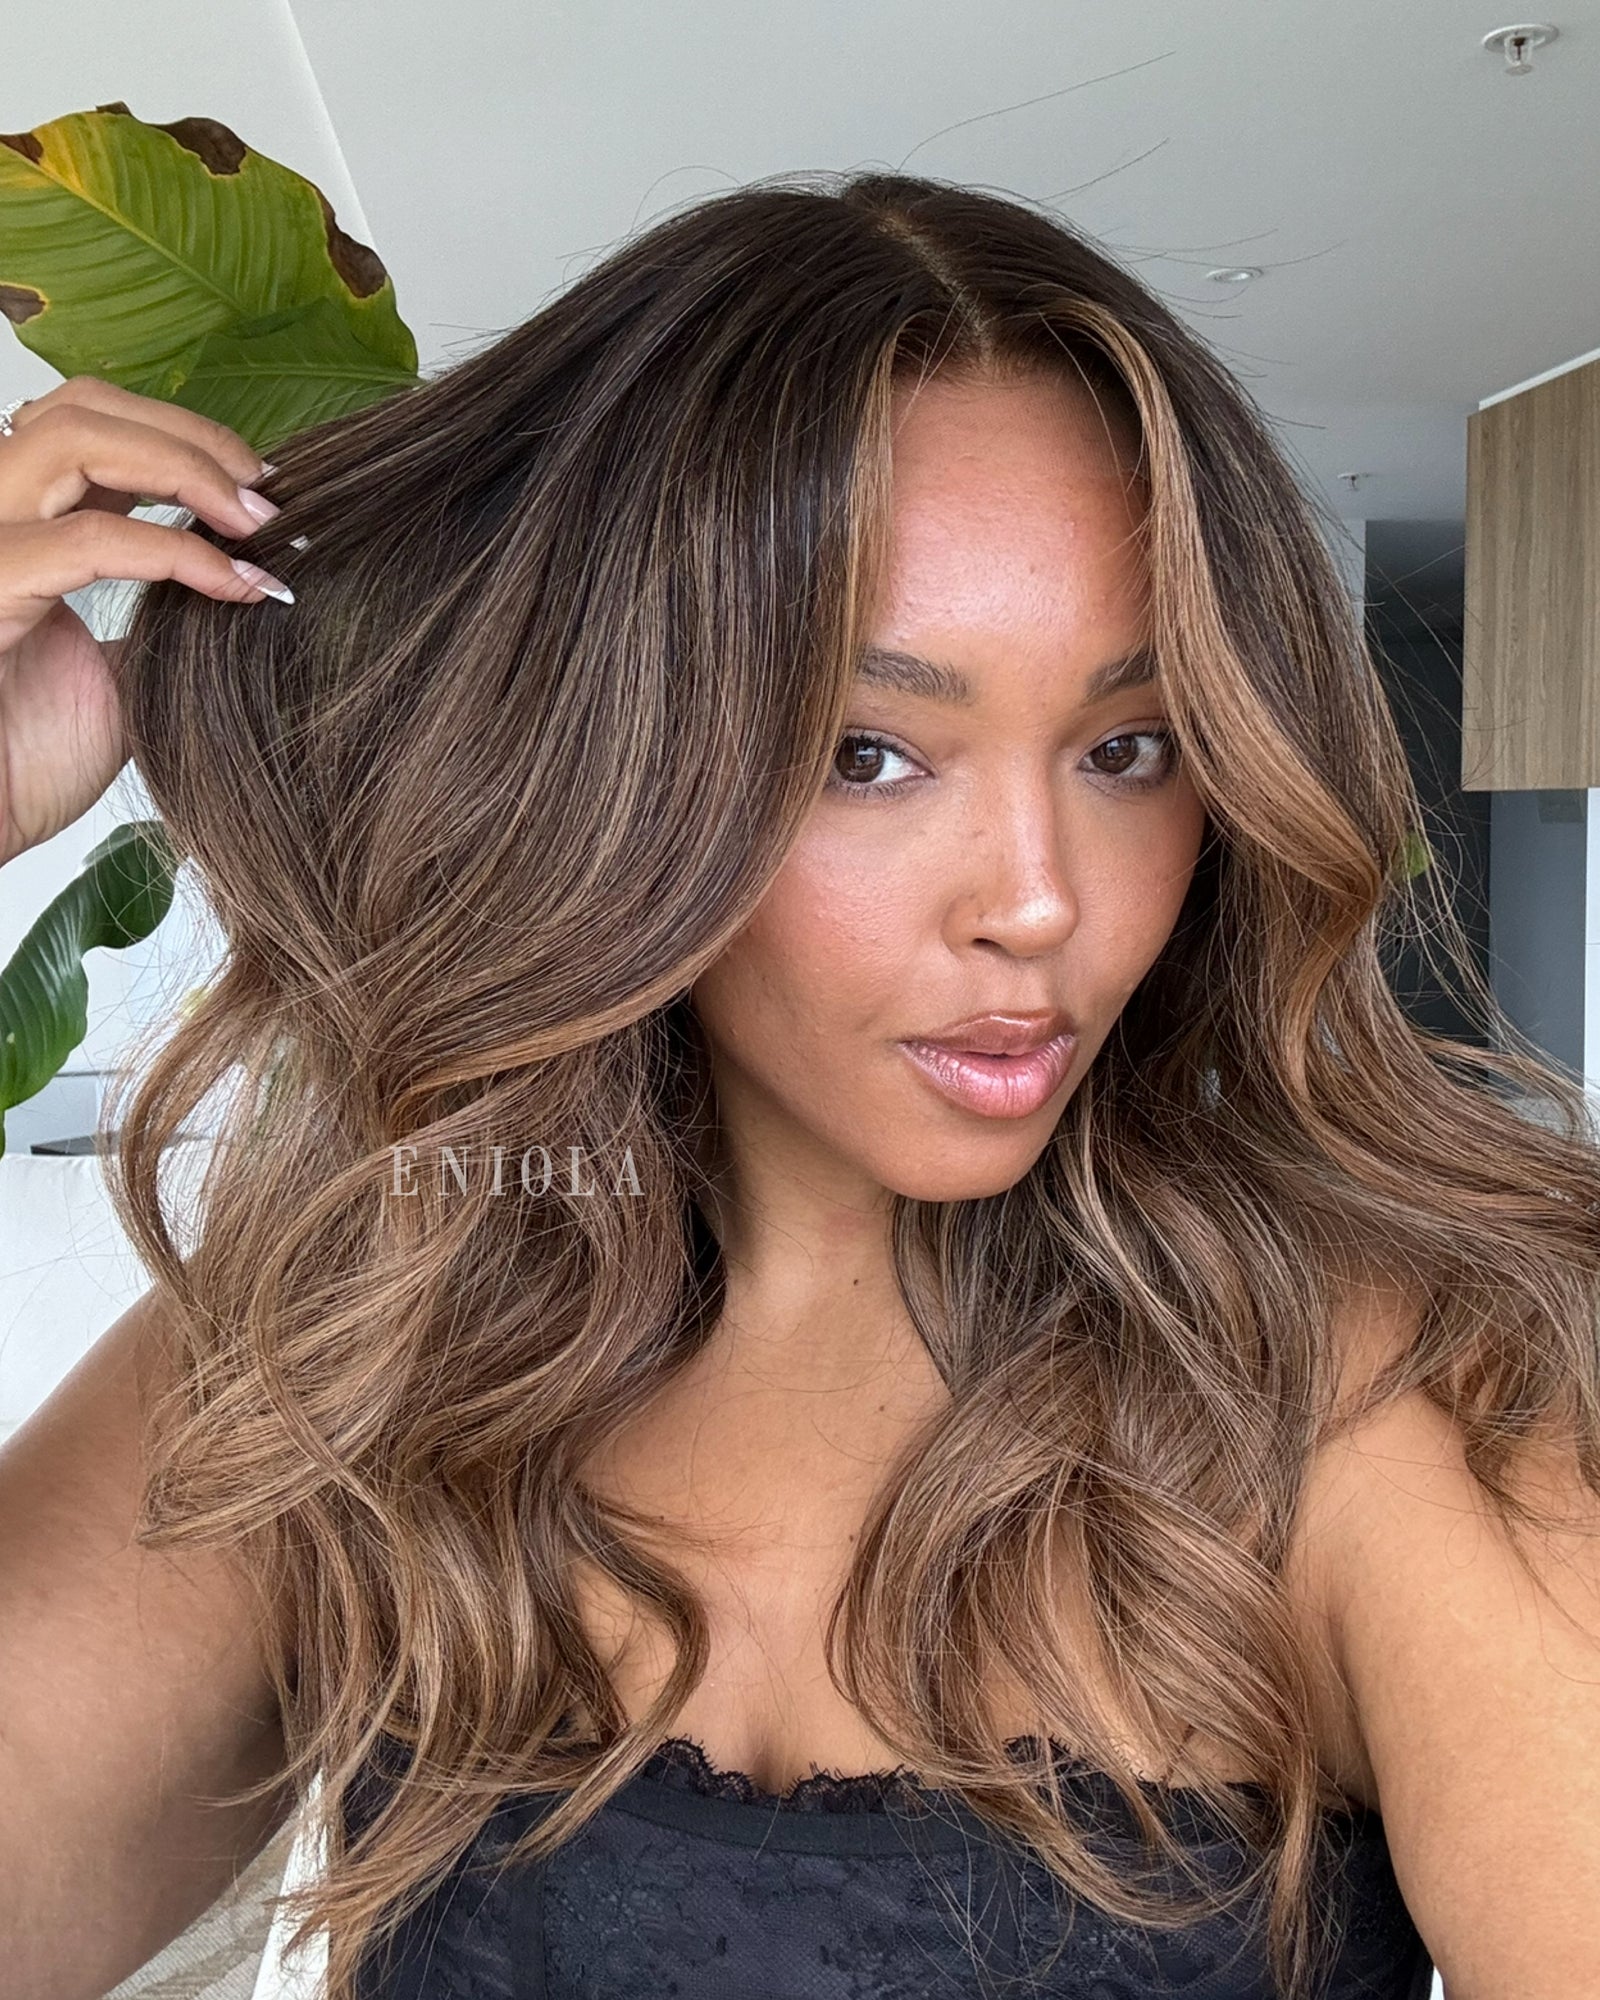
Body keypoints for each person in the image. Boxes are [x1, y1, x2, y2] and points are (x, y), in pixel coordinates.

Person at [0, 168, 1596, 2000]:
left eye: (1130, 747)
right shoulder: (375, 1335)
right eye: (869, 752)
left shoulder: (1395, 1412)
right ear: (618, 764)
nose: (1039, 902)